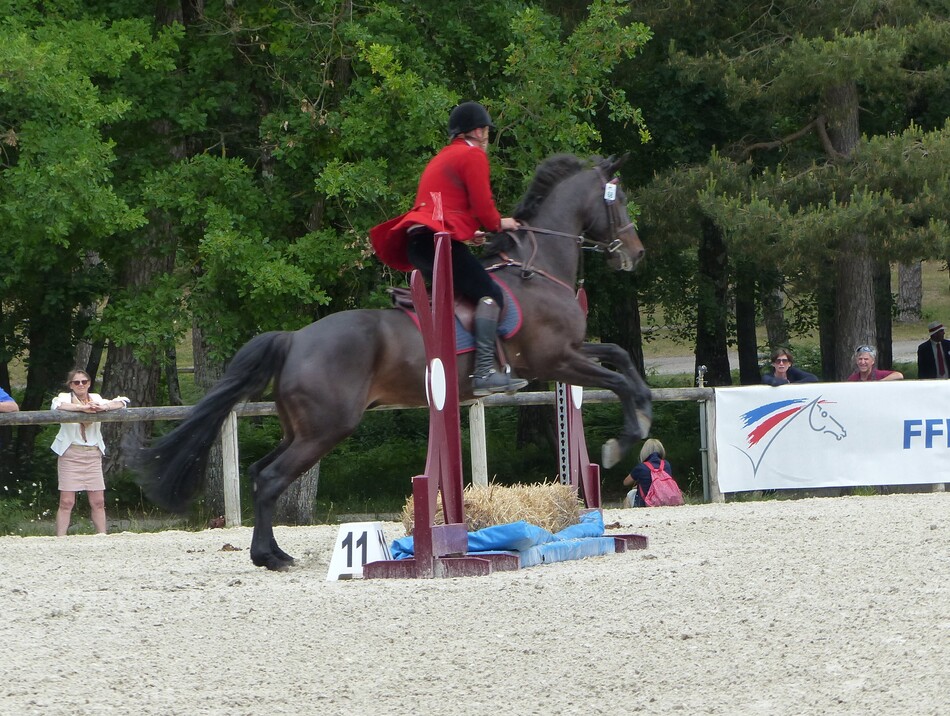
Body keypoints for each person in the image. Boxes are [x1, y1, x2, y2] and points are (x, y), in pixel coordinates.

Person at [370, 101, 528, 396]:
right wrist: (498, 223)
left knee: (468, 289)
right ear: (479, 131)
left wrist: (470, 232)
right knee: (490, 294)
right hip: (435, 243)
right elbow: (483, 207)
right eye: (486, 131)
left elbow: (444, 209)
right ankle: (483, 372)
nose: (487, 137)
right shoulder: (473, 155)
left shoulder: (444, 156)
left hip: (420, 242)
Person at [51, 369, 129, 536]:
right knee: (66, 501)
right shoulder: (64, 397)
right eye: (76, 382)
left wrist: (103, 407)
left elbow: (123, 401)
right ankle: (60, 537)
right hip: (70, 452)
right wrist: (83, 408)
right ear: (70, 385)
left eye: (84, 382)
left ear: (89, 383)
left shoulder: (97, 398)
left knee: (98, 501)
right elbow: (58, 405)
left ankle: (102, 535)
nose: (81, 385)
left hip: (93, 453)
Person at [623, 438, 676, 507]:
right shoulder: (666, 465)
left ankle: (628, 516)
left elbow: (626, 482)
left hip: (644, 503)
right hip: (665, 501)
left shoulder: (641, 467)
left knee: (630, 494)